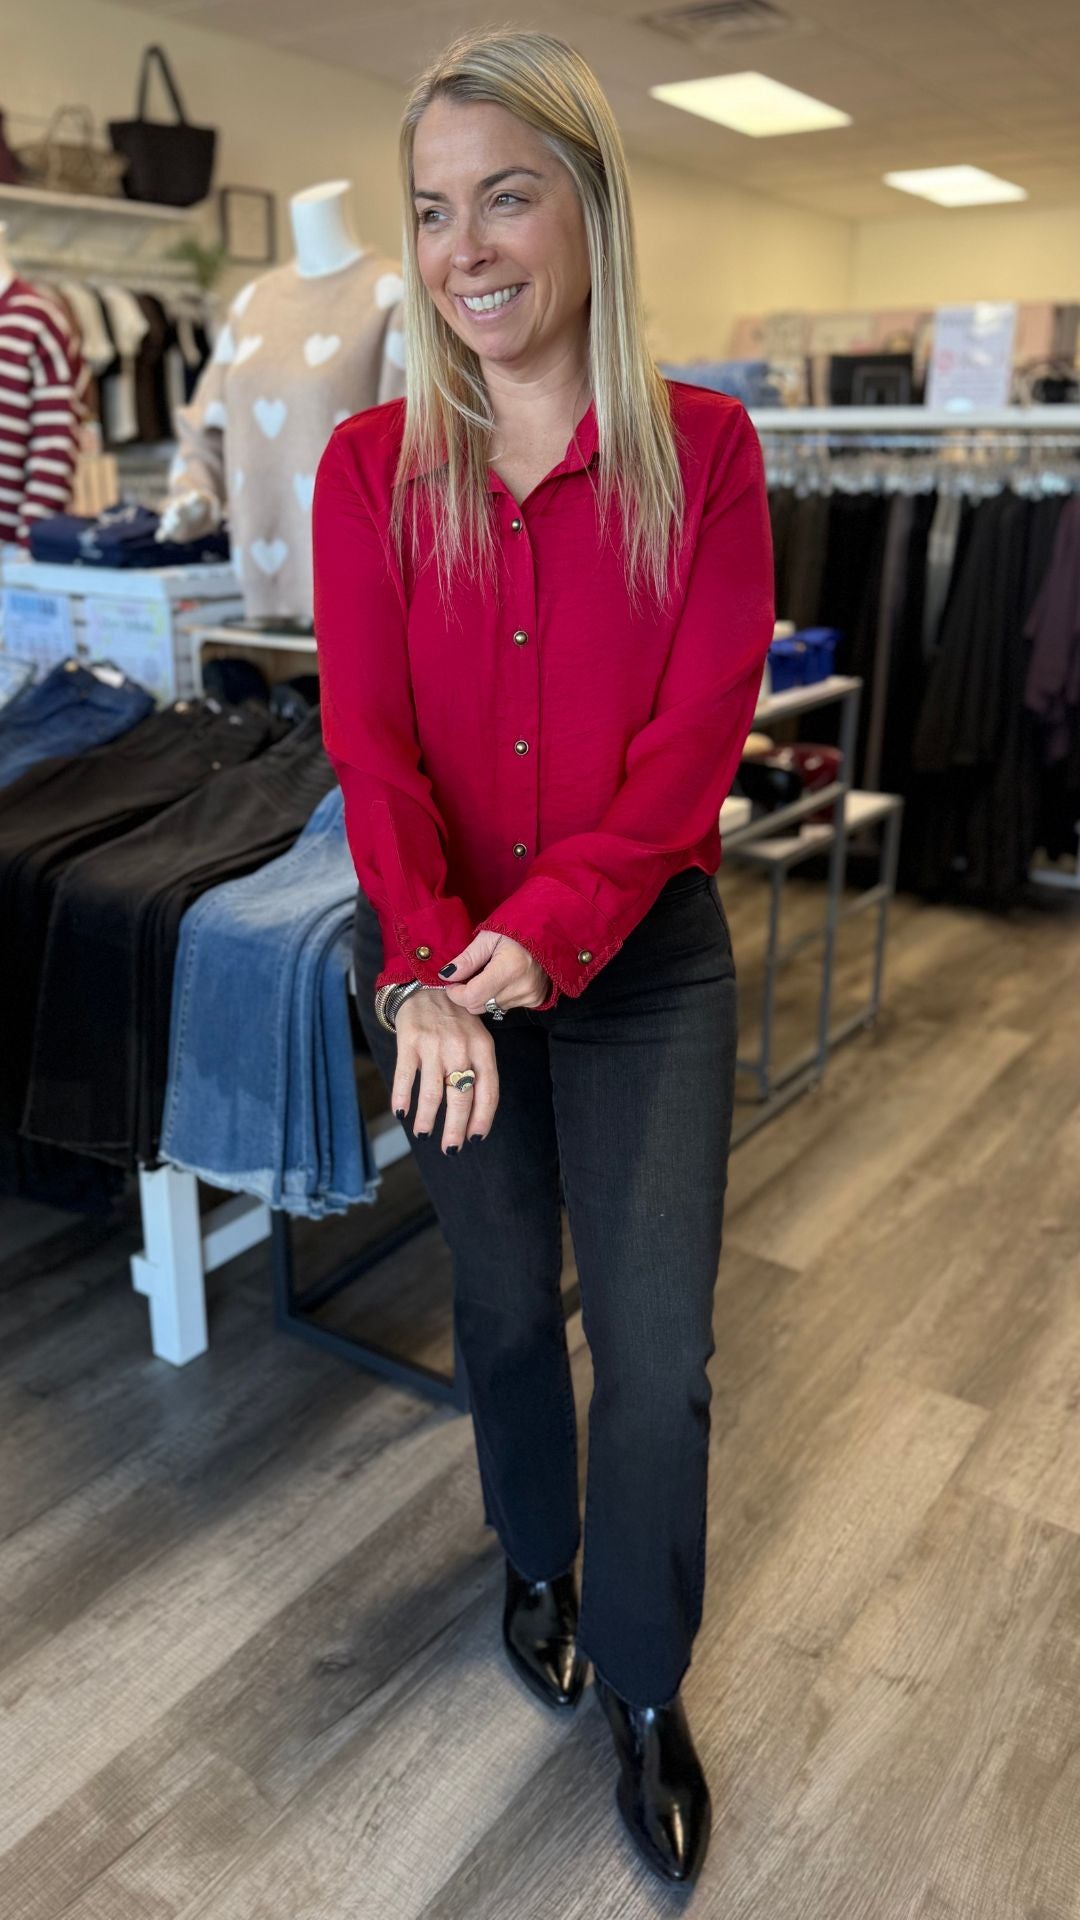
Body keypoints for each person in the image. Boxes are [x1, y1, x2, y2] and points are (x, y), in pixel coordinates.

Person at [313, 26, 774, 1889]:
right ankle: (536, 1563)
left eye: (505, 198)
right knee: (502, 1308)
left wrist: (543, 934)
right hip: (445, 988)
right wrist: (432, 964)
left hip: (639, 966)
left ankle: (646, 1687)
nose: (466, 249)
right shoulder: (370, 469)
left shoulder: (707, 453)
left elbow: (691, 754)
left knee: (654, 1355)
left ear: (589, 207)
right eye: (434, 211)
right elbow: (369, 749)